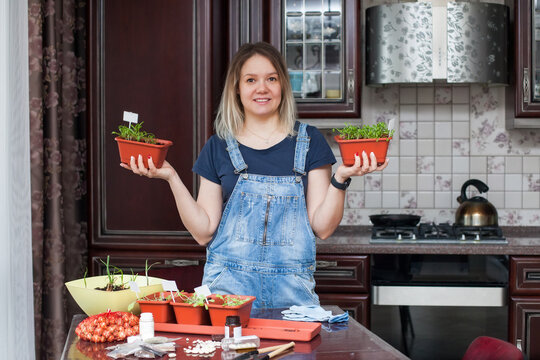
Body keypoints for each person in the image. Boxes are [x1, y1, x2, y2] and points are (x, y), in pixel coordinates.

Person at [121, 42, 388, 309]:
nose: (262, 88)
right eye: (251, 80)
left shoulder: (310, 142)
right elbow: (203, 232)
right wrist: (171, 177)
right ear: (237, 88)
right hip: (226, 300)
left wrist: (340, 178)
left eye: (271, 78)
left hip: (294, 301)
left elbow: (323, 227)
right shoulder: (219, 146)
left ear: (282, 84)